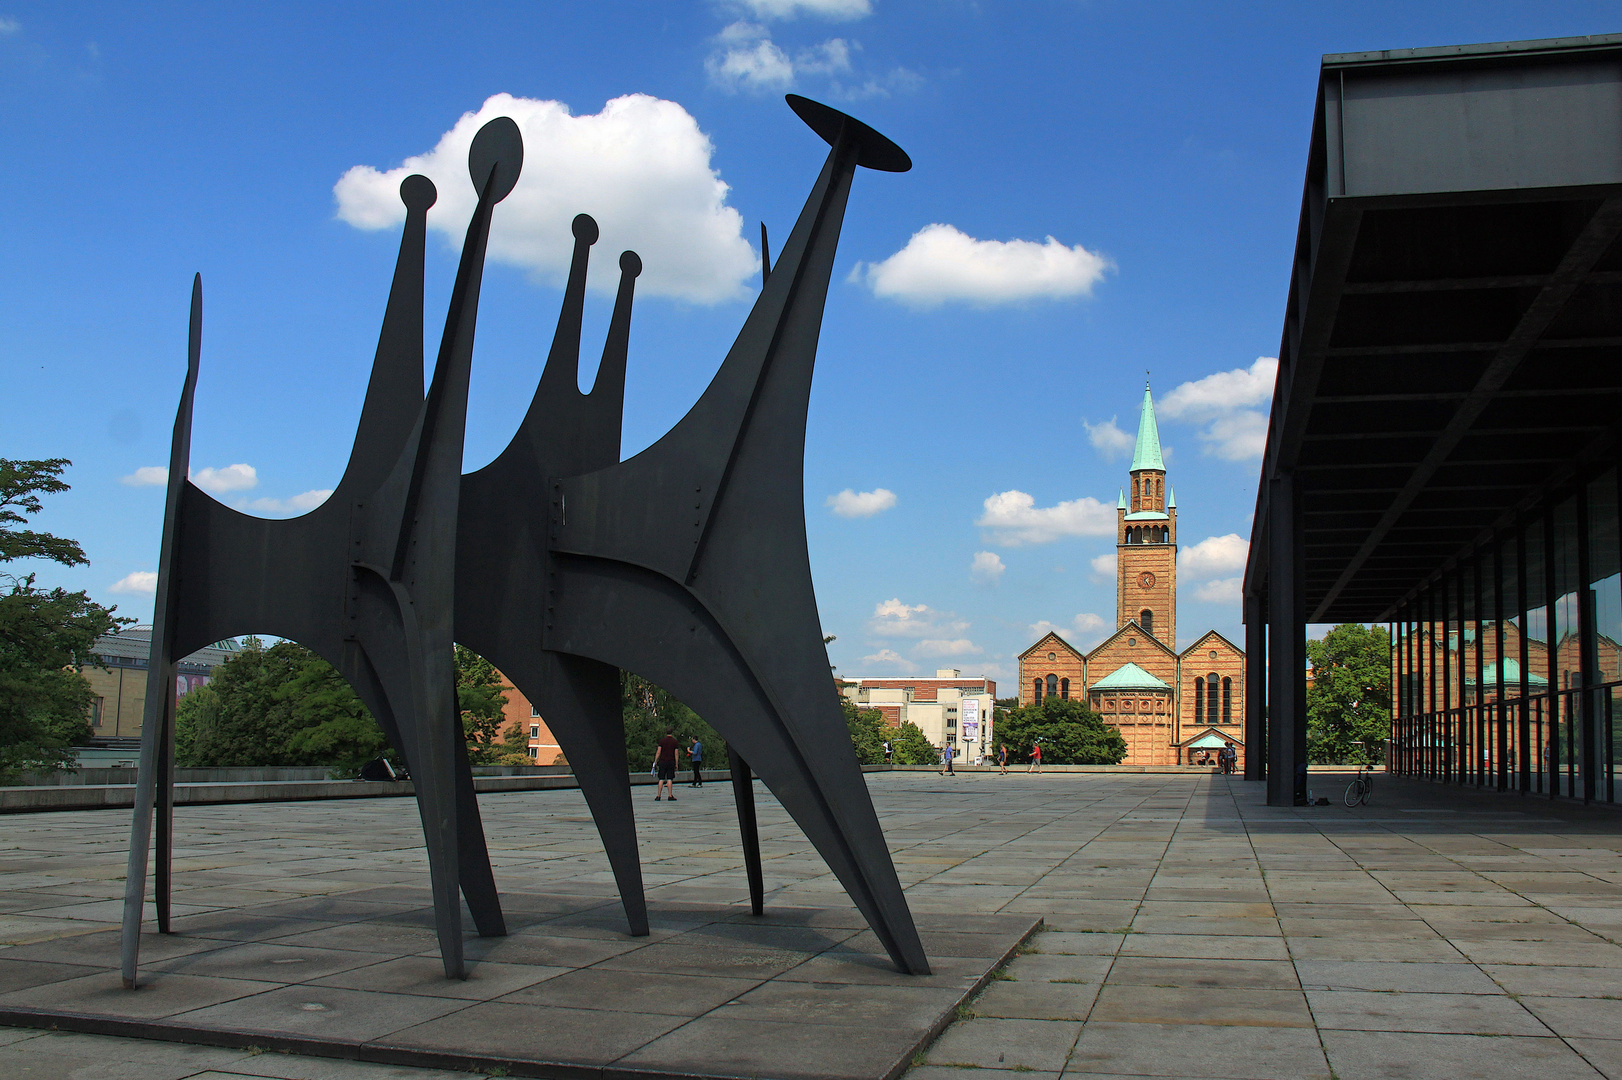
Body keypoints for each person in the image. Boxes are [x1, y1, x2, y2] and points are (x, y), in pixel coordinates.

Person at [654, 727, 680, 801]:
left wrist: (656, 760)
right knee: (669, 778)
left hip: (662, 761)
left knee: (661, 778)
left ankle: (658, 795)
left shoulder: (662, 741)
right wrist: (676, 763)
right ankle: (670, 795)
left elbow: (658, 751)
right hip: (670, 761)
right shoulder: (675, 742)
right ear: (672, 732)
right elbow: (676, 753)